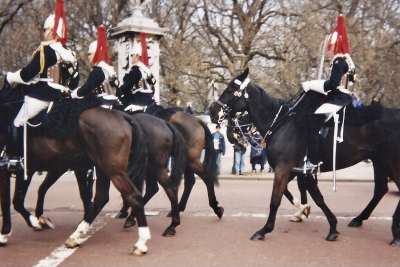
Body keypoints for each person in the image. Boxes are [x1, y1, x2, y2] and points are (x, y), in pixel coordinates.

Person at [0, 0, 78, 171]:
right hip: (63, 98)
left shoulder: (46, 50)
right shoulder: (71, 54)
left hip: (44, 95)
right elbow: (75, 82)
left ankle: (14, 158)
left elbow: (27, 74)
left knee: (17, 122)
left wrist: (10, 77)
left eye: (45, 30)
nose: (43, 33)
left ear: (51, 31)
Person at [293, 14, 355, 174]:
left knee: (313, 120)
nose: (329, 52)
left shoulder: (338, 61)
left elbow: (332, 85)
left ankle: (313, 162)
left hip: (338, 98)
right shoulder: (347, 61)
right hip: (342, 96)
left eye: (331, 48)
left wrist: (310, 85)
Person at [70, 25, 119, 107]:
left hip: (101, 101)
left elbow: (87, 88)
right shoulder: (109, 69)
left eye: (90, 54)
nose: (88, 57)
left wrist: (74, 94)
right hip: (112, 100)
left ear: (96, 53)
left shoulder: (98, 70)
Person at [116, 33, 156, 112]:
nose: (130, 58)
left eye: (132, 55)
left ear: (137, 56)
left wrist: (118, 92)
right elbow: (153, 87)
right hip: (149, 100)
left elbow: (126, 87)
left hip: (138, 100)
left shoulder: (135, 70)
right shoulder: (147, 70)